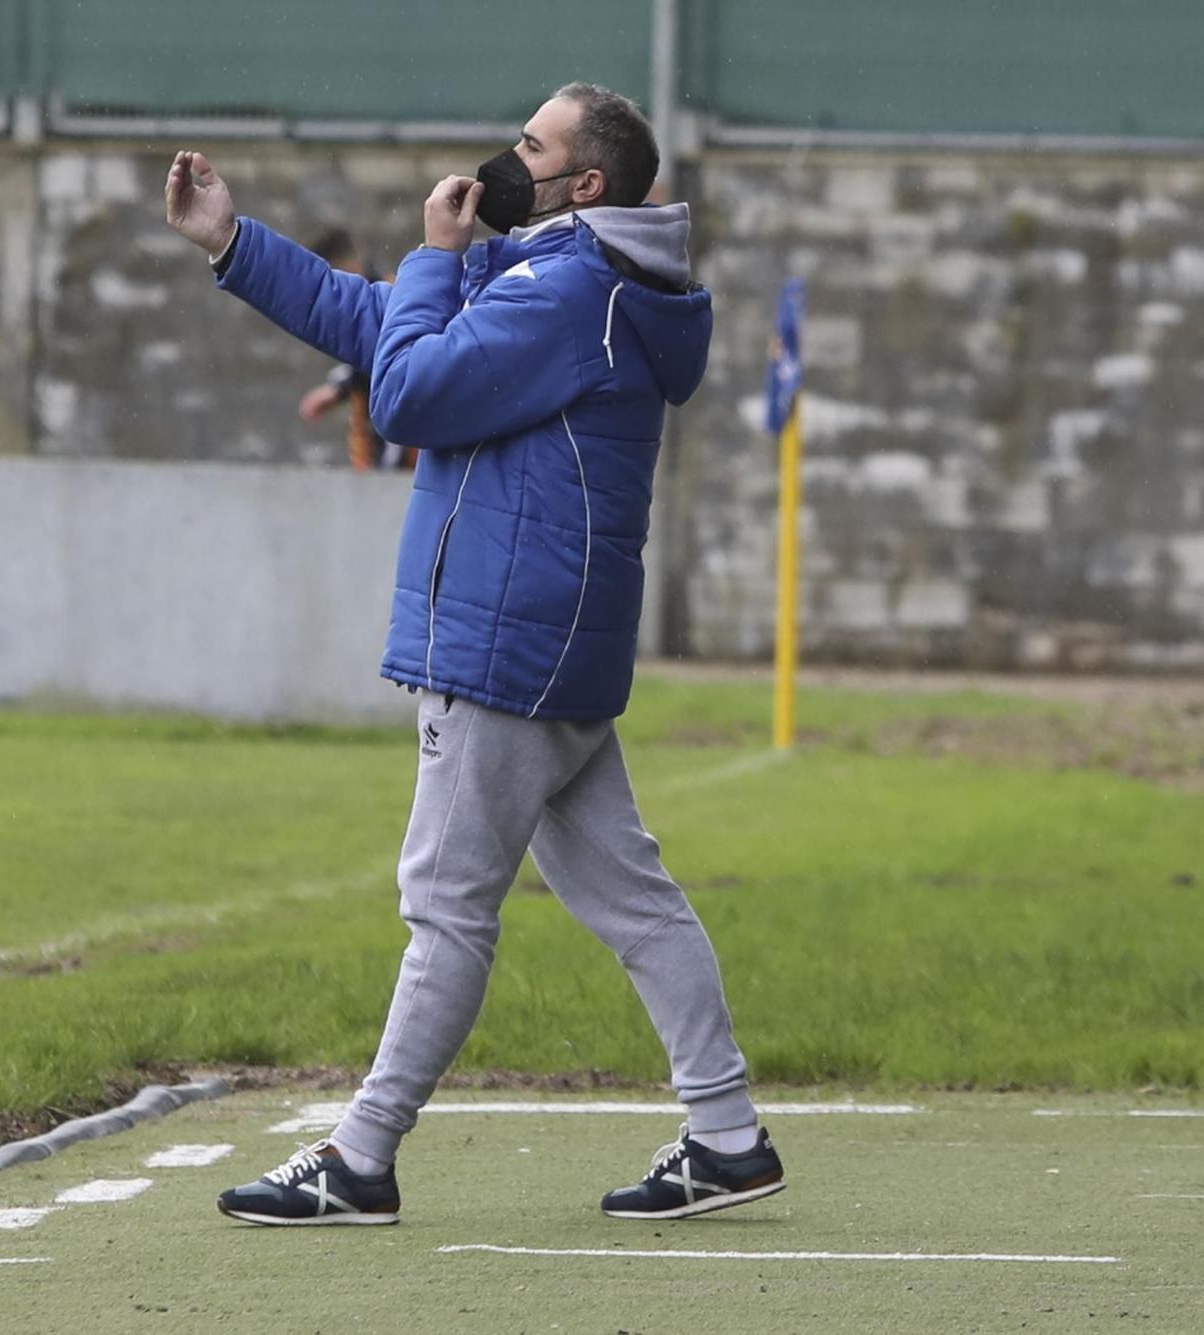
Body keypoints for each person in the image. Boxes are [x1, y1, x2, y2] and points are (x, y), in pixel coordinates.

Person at [165, 83, 783, 1224]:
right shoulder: (574, 276)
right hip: (552, 639)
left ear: (582, 184)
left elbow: (404, 391)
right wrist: (234, 246)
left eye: (530, 145)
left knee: (445, 908)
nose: (506, 158)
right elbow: (382, 321)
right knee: (632, 898)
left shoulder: (566, 287)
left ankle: (360, 1158)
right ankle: (727, 1134)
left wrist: (433, 251)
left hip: (506, 641)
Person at [295, 230, 413, 473]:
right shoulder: (361, 307)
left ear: (351, 266)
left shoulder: (396, 297)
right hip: (371, 444)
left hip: (405, 442)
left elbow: (386, 354)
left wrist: (339, 387)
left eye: (332, 278)